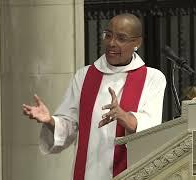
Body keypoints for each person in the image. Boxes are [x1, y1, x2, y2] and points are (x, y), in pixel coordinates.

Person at [22, 13, 166, 180]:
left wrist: (123, 116)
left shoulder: (152, 78)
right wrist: (50, 121)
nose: (112, 43)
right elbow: (69, 125)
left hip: (130, 172)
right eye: (108, 35)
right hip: (88, 173)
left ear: (137, 43)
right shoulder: (85, 76)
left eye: (121, 38)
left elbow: (152, 127)